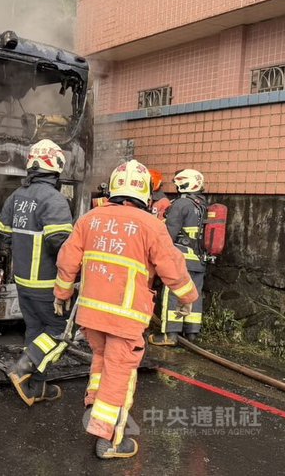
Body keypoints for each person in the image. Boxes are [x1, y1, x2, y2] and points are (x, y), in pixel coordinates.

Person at [53, 159, 197, 459]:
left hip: (91, 314)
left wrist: (62, 293)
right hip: (126, 316)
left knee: (101, 359)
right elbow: (172, 268)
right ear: (145, 192)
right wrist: (187, 298)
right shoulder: (151, 226)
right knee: (120, 374)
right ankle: (111, 440)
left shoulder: (90, 219)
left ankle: (94, 402)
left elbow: (68, 260)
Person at [0, 139, 74, 405]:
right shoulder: (54, 199)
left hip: (22, 280)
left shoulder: (15, 197)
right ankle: (22, 369)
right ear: (57, 167)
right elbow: (60, 244)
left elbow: (3, 234)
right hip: (46, 281)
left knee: (35, 332)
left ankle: (36, 388)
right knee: (59, 331)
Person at [150, 168, 207, 345]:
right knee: (194, 294)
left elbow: (169, 234)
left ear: (183, 183)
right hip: (199, 259)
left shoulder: (181, 204)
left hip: (181, 258)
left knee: (174, 293)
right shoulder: (202, 204)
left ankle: (170, 335)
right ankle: (192, 333)